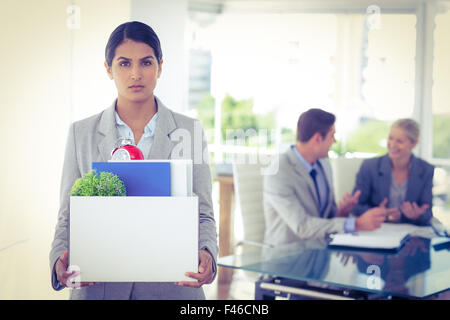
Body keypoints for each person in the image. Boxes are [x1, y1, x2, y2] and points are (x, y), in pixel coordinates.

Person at [49, 21, 218, 299]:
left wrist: (207, 253)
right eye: (124, 64)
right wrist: (58, 259)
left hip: (171, 287)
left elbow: (203, 212)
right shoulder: (81, 133)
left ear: (160, 66)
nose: (136, 74)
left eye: (146, 63)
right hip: (101, 287)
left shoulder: (190, 132)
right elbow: (68, 212)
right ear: (108, 69)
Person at [263, 108, 390, 246]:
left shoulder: (323, 162)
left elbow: (326, 219)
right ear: (318, 138)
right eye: (332, 135)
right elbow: (303, 227)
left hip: (321, 252)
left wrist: (342, 212)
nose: (334, 141)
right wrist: (356, 224)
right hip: (287, 258)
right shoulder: (278, 172)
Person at [352, 119, 434, 226]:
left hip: (409, 232)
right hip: (377, 229)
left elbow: (427, 213)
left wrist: (417, 215)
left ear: (414, 143)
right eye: (390, 138)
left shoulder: (426, 169)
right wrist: (379, 213)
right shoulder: (370, 166)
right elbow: (355, 206)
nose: (392, 144)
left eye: (399, 141)